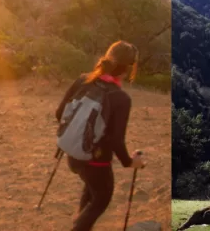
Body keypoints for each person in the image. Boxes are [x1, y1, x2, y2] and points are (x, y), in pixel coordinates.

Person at [55, 40, 146, 231]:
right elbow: (115, 140)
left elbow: (59, 113)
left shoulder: (83, 80)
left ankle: (82, 224)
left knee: (91, 189)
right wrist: (130, 162)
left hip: (73, 155)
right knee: (102, 197)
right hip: (97, 162)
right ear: (128, 69)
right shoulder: (120, 98)